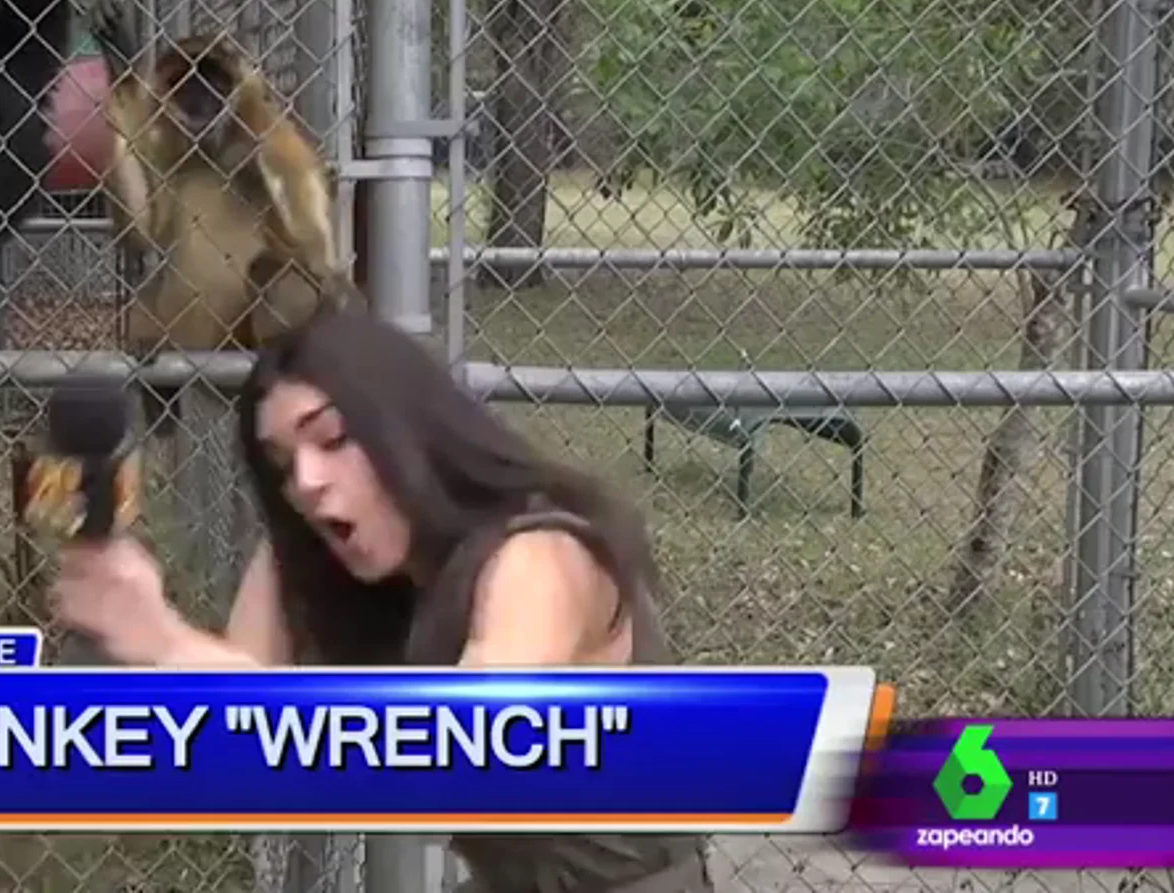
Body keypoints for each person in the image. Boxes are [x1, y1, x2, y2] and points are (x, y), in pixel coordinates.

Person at [51, 306, 713, 893]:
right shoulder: (323, 546)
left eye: (334, 438)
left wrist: (167, 638)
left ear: (410, 428)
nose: (307, 481)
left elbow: (467, 754)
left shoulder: (540, 555)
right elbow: (238, 733)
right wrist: (132, 623)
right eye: (283, 465)